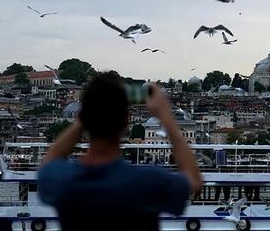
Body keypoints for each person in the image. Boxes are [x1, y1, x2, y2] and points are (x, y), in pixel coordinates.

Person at [38, 71, 203, 231]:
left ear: (84, 117)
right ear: (126, 122)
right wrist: (166, 117)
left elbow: (48, 164)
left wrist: (86, 116)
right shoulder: (147, 181)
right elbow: (194, 181)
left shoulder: (63, 180)